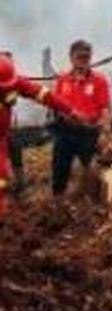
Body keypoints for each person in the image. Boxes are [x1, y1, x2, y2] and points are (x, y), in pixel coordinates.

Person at [0, 54, 79, 215]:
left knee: (2, 177)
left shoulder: (14, 82)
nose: (9, 92)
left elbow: (42, 94)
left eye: (10, 88)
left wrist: (68, 109)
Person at [50, 41, 112, 196]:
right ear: (71, 57)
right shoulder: (62, 80)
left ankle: (95, 201)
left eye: (87, 57)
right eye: (80, 56)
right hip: (66, 131)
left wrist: (105, 132)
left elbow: (105, 108)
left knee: (94, 169)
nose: (83, 60)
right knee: (59, 167)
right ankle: (57, 200)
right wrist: (66, 116)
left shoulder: (99, 80)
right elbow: (56, 105)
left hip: (89, 132)